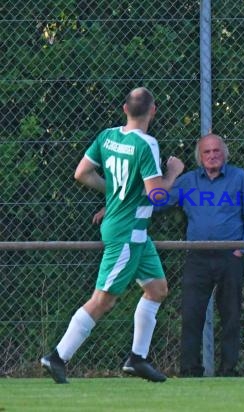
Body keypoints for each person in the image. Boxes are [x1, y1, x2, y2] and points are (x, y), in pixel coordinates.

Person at [40, 87, 185, 383]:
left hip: (135, 231)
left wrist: (116, 195)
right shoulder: (147, 144)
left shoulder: (107, 136)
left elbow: (82, 173)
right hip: (128, 232)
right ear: (153, 111)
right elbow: (156, 194)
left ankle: (137, 359)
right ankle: (57, 356)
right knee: (103, 299)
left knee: (157, 289)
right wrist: (173, 172)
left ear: (124, 109)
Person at [155, 134, 244, 377]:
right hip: (197, 257)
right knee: (192, 314)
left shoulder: (239, 177)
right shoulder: (187, 181)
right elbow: (158, 203)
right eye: (207, 152)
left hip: (230, 256)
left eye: (216, 151)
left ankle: (228, 369)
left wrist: (241, 249)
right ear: (199, 157)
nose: (212, 155)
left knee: (231, 315)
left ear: (224, 154)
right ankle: (190, 370)